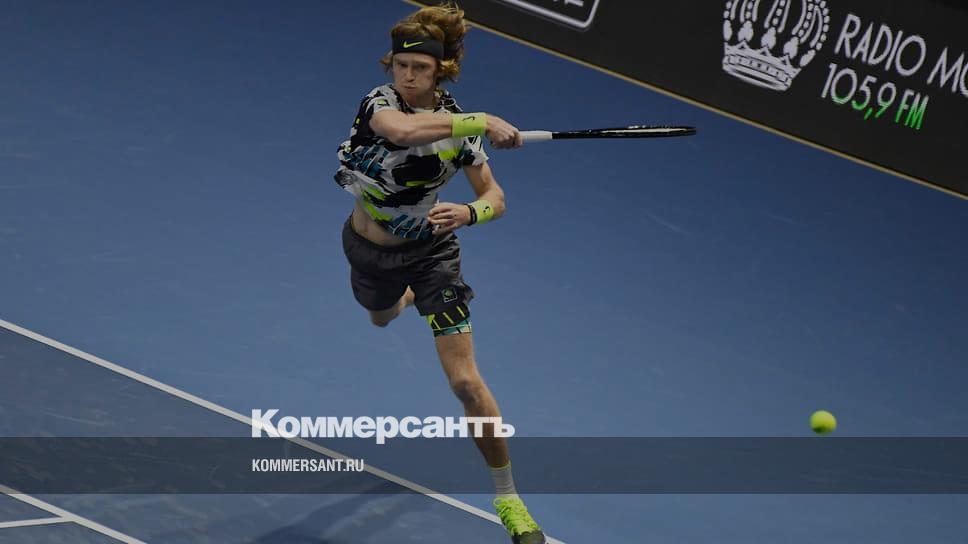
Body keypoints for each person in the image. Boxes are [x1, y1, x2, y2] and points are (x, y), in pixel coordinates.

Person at [334, 3, 546, 543]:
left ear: (440, 71)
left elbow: (496, 197)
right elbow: (401, 132)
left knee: (466, 383)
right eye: (401, 66)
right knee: (381, 316)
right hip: (368, 250)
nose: (407, 77)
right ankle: (403, 300)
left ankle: (509, 499)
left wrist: (472, 213)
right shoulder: (380, 104)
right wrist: (481, 121)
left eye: (420, 69)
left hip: (432, 256)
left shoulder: (459, 130)